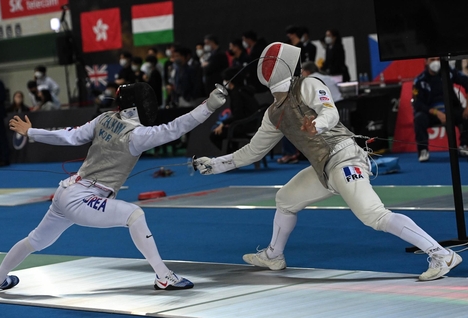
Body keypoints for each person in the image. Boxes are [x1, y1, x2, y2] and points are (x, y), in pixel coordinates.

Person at [193, 42, 462, 281]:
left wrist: (318, 125)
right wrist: (215, 164)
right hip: (324, 168)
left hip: (344, 157)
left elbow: (329, 114)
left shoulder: (309, 85)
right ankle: (274, 255)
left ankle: (441, 254)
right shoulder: (273, 114)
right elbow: (252, 152)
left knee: (374, 216)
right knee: (285, 199)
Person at [0, 82, 227, 293]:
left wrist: (32, 132)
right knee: (135, 215)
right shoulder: (137, 135)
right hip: (83, 198)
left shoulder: (104, 118)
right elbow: (176, 127)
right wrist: (209, 106)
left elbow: (71, 136)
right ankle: (163, 276)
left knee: (35, 240)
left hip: (65, 192)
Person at [412, 57, 468, 162]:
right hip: (432, 113)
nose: (436, 62)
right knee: (419, 118)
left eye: (437, 59)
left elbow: (467, 82)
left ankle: (464, 145)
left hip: (451, 110)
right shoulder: (420, 80)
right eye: (432, 60)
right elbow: (418, 104)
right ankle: (423, 150)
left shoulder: (449, 72)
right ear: (426, 62)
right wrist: (437, 113)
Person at [209, 66, 259, 151]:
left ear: (230, 80)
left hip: (245, 126)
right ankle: (232, 154)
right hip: (253, 124)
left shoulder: (237, 94)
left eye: (225, 79)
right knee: (230, 129)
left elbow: (238, 114)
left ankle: (229, 156)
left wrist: (223, 123)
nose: (224, 82)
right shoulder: (245, 90)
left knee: (214, 135)